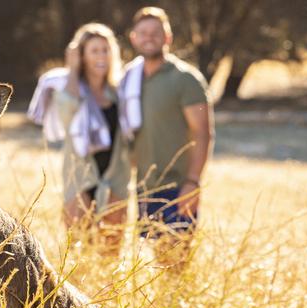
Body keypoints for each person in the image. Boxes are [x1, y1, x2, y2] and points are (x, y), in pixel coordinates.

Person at [118, 7, 215, 263]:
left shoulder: (185, 79)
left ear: (168, 38)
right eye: (143, 33)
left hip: (178, 186)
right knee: (156, 263)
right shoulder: (130, 78)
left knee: (176, 262)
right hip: (145, 186)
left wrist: (193, 182)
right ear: (133, 38)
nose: (149, 37)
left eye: (156, 33)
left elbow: (203, 133)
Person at [28, 23, 129, 231]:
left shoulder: (119, 92)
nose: (101, 56)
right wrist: (72, 69)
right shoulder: (70, 89)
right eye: (94, 51)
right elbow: (69, 111)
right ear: (81, 55)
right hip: (80, 176)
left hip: (115, 177)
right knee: (78, 247)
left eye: (106, 50)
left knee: (111, 250)